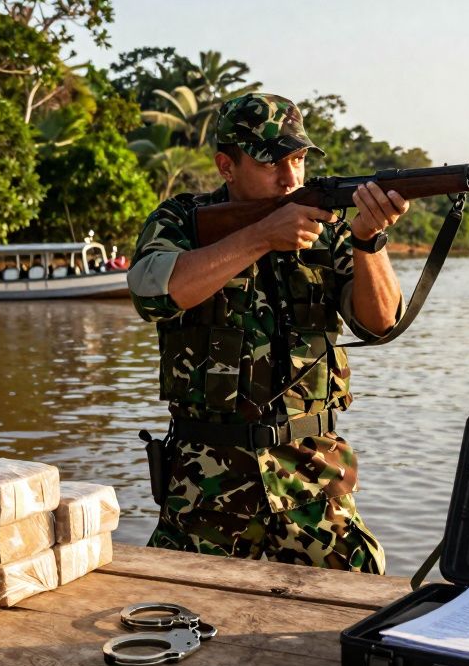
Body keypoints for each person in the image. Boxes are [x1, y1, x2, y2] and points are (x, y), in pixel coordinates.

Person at [126, 93, 410, 573]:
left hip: (313, 479)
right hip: (206, 484)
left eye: (297, 160)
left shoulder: (329, 230)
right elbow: (153, 292)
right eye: (271, 162)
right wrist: (261, 237)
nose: (290, 178)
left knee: (355, 610)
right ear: (226, 165)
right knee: (178, 611)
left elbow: (380, 323)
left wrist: (369, 241)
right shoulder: (182, 221)